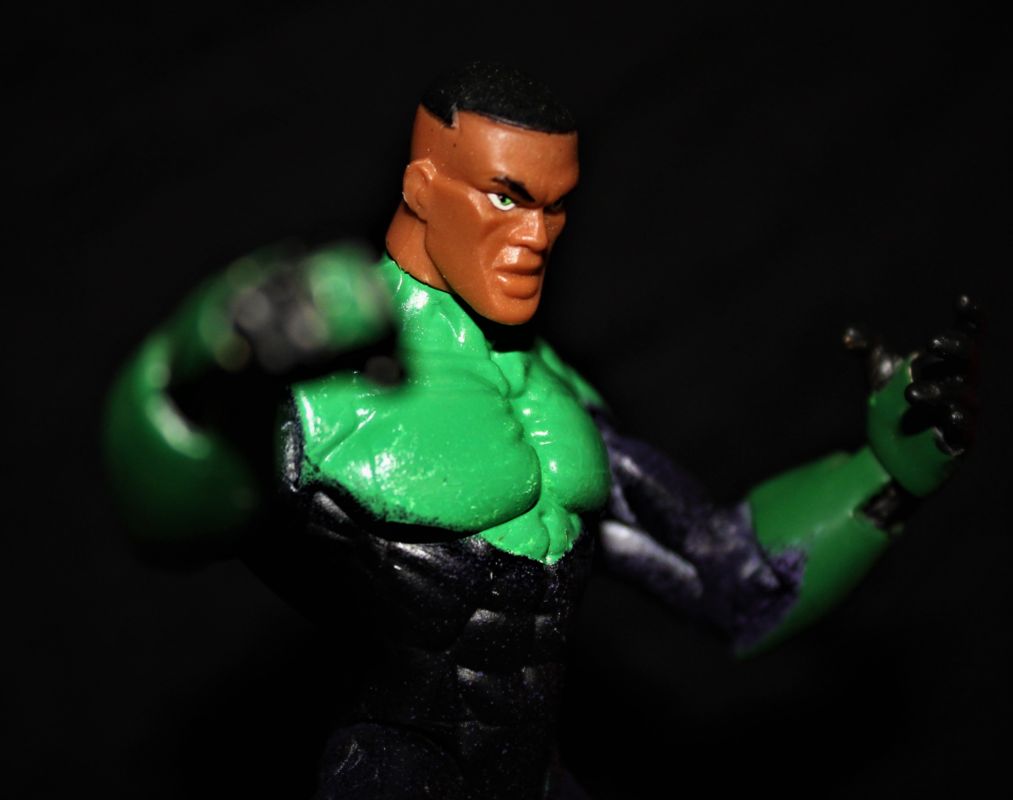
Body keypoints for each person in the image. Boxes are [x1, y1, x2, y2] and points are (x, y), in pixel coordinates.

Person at [103, 62, 978, 800]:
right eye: (506, 196)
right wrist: (196, 367)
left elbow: (735, 580)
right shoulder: (322, 396)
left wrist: (887, 472)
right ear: (420, 187)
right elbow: (163, 517)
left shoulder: (555, 399)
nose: (535, 236)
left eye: (555, 207)